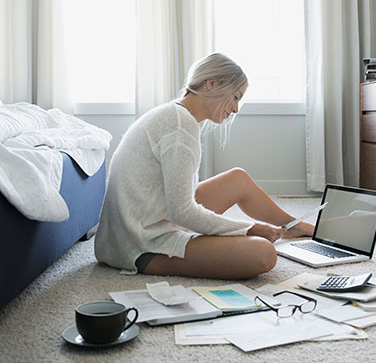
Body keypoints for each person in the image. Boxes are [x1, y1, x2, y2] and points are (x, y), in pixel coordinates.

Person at [94, 53, 313, 279]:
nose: (236, 109)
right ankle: (281, 229)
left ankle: (294, 225)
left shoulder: (175, 115)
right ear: (211, 84)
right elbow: (183, 213)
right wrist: (250, 228)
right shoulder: (179, 128)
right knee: (263, 253)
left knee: (238, 179)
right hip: (140, 243)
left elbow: (180, 203)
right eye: (236, 97)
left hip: (142, 223)